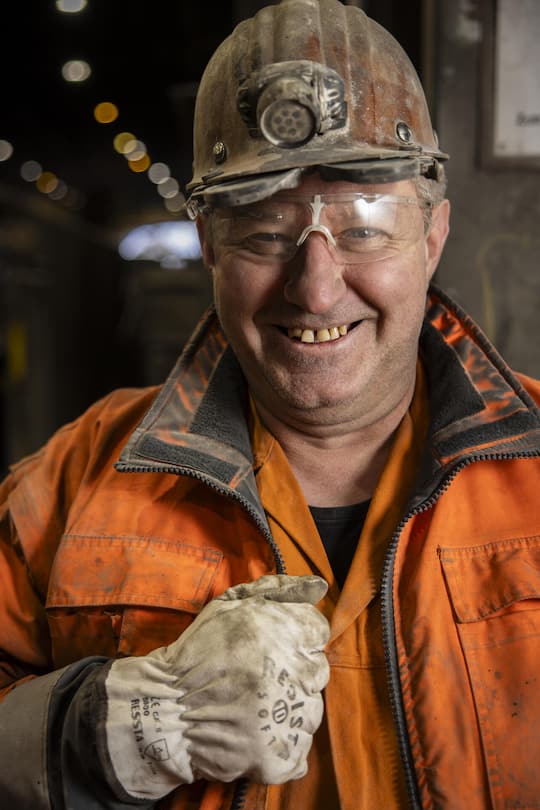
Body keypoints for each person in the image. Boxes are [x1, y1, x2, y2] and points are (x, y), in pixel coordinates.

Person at [1, 0, 539, 808]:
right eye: (263, 231)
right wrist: (113, 727)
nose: (316, 289)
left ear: (431, 238)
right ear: (208, 245)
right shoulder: (78, 480)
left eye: (363, 229)